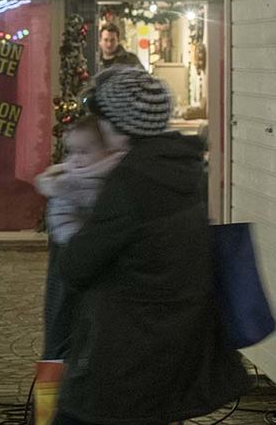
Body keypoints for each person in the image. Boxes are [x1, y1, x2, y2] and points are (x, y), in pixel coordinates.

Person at [54, 68, 248, 425]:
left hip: (125, 348)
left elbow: (76, 267)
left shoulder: (130, 183)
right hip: (169, 341)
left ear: (117, 124)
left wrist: (66, 214)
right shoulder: (182, 168)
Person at [35, 115, 125, 361]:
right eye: (72, 151)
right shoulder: (67, 181)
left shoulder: (121, 173)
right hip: (76, 256)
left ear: (107, 150)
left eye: (85, 151)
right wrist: (79, 242)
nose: (76, 158)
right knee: (66, 325)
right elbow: (61, 218)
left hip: (105, 265)